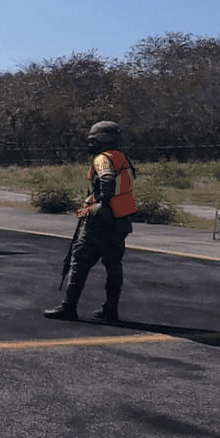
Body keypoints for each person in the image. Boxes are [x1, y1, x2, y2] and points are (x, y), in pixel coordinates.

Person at [44, 121, 137, 323]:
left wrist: (100, 204)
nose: (91, 145)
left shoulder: (103, 159)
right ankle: (110, 309)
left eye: (93, 141)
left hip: (101, 222)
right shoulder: (123, 159)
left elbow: (107, 180)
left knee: (79, 261)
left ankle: (69, 307)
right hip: (121, 221)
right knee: (113, 265)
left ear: (102, 140)